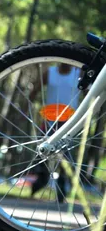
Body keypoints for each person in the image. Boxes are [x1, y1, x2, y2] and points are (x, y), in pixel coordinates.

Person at [30, 64, 80, 202]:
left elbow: (88, 92)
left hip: (70, 120)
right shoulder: (50, 72)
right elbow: (35, 89)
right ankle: (42, 177)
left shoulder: (78, 73)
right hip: (50, 119)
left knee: (66, 155)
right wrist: (30, 102)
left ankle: (62, 185)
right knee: (43, 150)